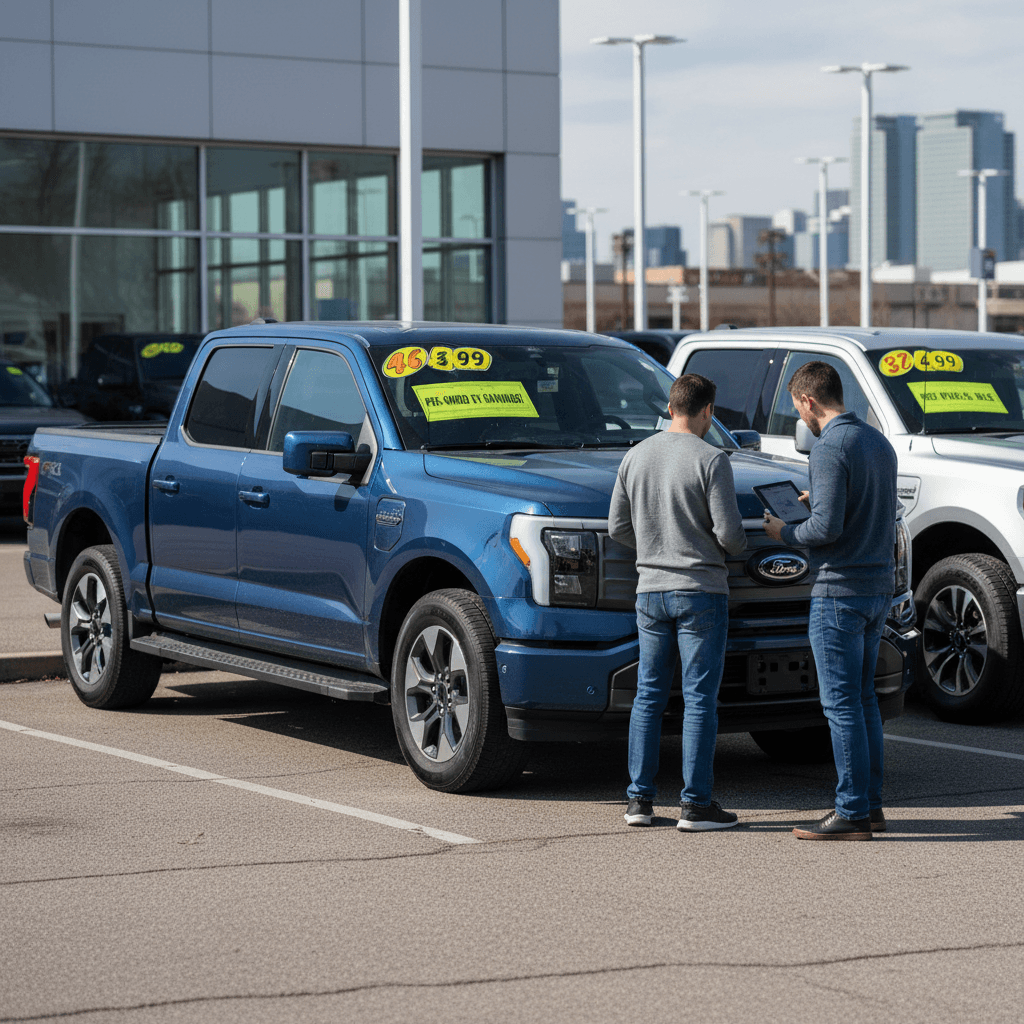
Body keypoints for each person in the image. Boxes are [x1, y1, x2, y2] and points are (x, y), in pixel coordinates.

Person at [763, 361, 897, 841]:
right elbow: (861, 508)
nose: (799, 414)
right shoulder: (876, 441)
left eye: (796, 406)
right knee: (864, 703)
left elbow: (826, 530)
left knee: (840, 706)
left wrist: (786, 530)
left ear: (807, 401)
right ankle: (871, 807)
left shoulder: (828, 447)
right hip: (877, 587)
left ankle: (851, 812)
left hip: (839, 591)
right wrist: (816, 501)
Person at [609, 373, 746, 831]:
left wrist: (653, 548)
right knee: (699, 699)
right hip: (701, 592)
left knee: (648, 696)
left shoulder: (634, 456)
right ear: (707, 411)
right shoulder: (712, 459)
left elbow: (617, 528)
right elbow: (730, 536)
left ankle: (638, 802)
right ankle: (696, 804)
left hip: (650, 590)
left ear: (671, 408)